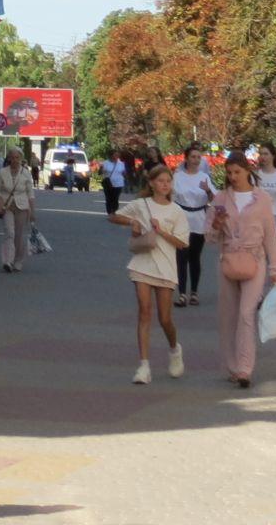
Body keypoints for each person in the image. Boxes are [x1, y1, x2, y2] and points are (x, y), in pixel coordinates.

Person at [208, 151, 276, 386]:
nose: (232, 177)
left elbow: (271, 234)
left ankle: (244, 369)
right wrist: (216, 225)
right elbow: (208, 237)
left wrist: (275, 268)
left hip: (255, 259)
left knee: (246, 313)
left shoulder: (261, 199)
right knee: (228, 316)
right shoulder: (220, 198)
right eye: (229, 173)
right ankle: (231, 366)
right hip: (229, 259)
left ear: (248, 171)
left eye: (237, 172)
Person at [108, 161, 188, 383]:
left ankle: (174, 349)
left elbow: (182, 243)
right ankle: (143, 366)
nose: (164, 185)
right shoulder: (141, 204)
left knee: (165, 319)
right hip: (142, 264)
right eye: (160, 181)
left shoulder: (176, 211)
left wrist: (160, 231)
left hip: (166, 267)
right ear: (151, 183)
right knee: (144, 311)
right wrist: (132, 222)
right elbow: (113, 216)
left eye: (168, 181)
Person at [171, 144, 217, 306]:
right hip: (182, 217)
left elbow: (215, 200)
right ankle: (182, 293)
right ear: (186, 158)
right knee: (181, 256)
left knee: (194, 257)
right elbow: (170, 197)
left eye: (198, 157)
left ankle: (194, 292)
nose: (196, 160)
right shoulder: (178, 176)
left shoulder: (204, 176)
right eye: (193, 157)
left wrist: (208, 191)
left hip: (199, 218)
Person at [0, 146, 36, 272]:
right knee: (9, 233)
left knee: (18, 236)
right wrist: (0, 202)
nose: (14, 160)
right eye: (12, 157)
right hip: (7, 207)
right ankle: (8, 261)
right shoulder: (2, 172)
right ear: (8, 159)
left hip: (22, 207)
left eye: (17, 157)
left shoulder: (26, 173)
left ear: (21, 158)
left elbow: (30, 193)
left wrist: (32, 211)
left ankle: (18, 260)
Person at [101, 149, 128, 217]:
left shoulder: (121, 163)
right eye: (115, 154)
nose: (117, 156)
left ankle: (114, 211)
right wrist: (101, 169)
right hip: (108, 183)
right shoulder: (105, 163)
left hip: (119, 183)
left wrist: (125, 173)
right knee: (109, 198)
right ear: (110, 155)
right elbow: (100, 172)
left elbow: (124, 173)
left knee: (115, 198)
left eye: (117, 155)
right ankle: (109, 212)